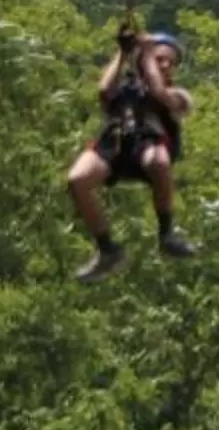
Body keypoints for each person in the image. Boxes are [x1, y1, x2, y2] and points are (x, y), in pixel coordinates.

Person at [69, 24, 198, 283]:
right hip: (116, 145)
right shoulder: (127, 88)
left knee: (158, 161)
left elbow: (158, 92)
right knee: (77, 180)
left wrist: (147, 53)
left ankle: (167, 233)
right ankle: (107, 249)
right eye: (160, 59)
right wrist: (123, 53)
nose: (164, 65)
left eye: (170, 62)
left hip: (148, 147)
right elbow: (104, 91)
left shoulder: (178, 96)